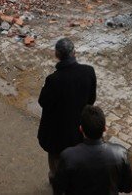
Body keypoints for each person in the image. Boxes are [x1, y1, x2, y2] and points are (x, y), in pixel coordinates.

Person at [38, 38, 98, 193]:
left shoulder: (53, 79)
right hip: (78, 132)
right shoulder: (89, 71)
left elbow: (43, 102)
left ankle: (58, 186)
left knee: (57, 166)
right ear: (74, 52)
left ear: (57, 55)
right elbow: (91, 99)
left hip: (57, 134)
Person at [52, 105, 132, 195]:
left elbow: (58, 187)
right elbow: (129, 186)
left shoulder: (68, 156)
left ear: (81, 129)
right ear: (104, 129)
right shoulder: (120, 153)